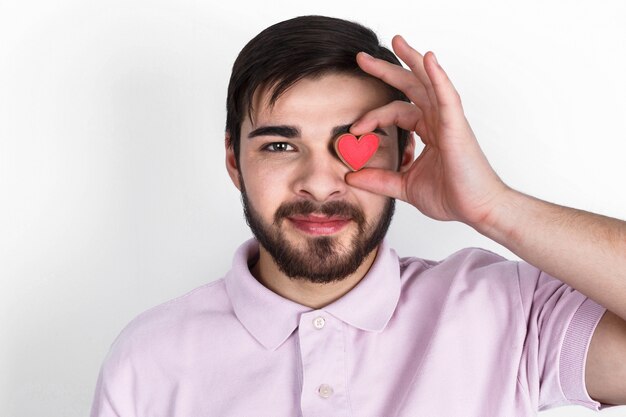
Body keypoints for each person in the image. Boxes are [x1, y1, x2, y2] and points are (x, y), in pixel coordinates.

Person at [90, 15, 626, 416]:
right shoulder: (147, 360)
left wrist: (493, 207)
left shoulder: (505, 310)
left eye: (355, 143)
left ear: (406, 155)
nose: (319, 183)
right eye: (279, 147)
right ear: (234, 160)